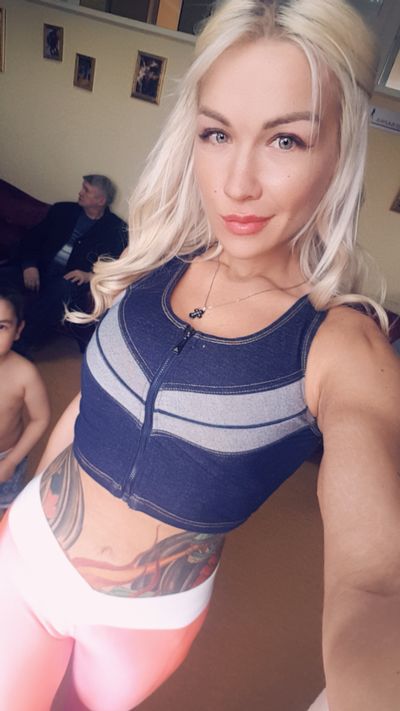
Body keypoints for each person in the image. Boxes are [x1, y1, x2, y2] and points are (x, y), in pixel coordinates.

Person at [0, 1, 399, 709]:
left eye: (286, 140)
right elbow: (91, 410)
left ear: (339, 151)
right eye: (217, 133)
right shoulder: (155, 263)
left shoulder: (344, 346)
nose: (237, 182)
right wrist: (21, 503)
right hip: (29, 551)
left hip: (142, 623)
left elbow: (375, 583)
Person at [14, 174, 127, 352]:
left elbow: (117, 267)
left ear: (100, 200)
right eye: (82, 187)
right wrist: (29, 265)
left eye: (86, 190)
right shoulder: (62, 210)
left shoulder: (116, 229)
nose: (80, 192)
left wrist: (90, 276)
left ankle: (19, 345)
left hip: (71, 280)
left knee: (62, 290)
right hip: (40, 268)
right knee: (6, 276)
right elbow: (32, 238)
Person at [0, 286, 50, 512]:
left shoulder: (25, 374)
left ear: (18, 330)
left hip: (7, 455)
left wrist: (12, 461)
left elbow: (40, 419)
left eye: (1, 327)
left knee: (6, 504)